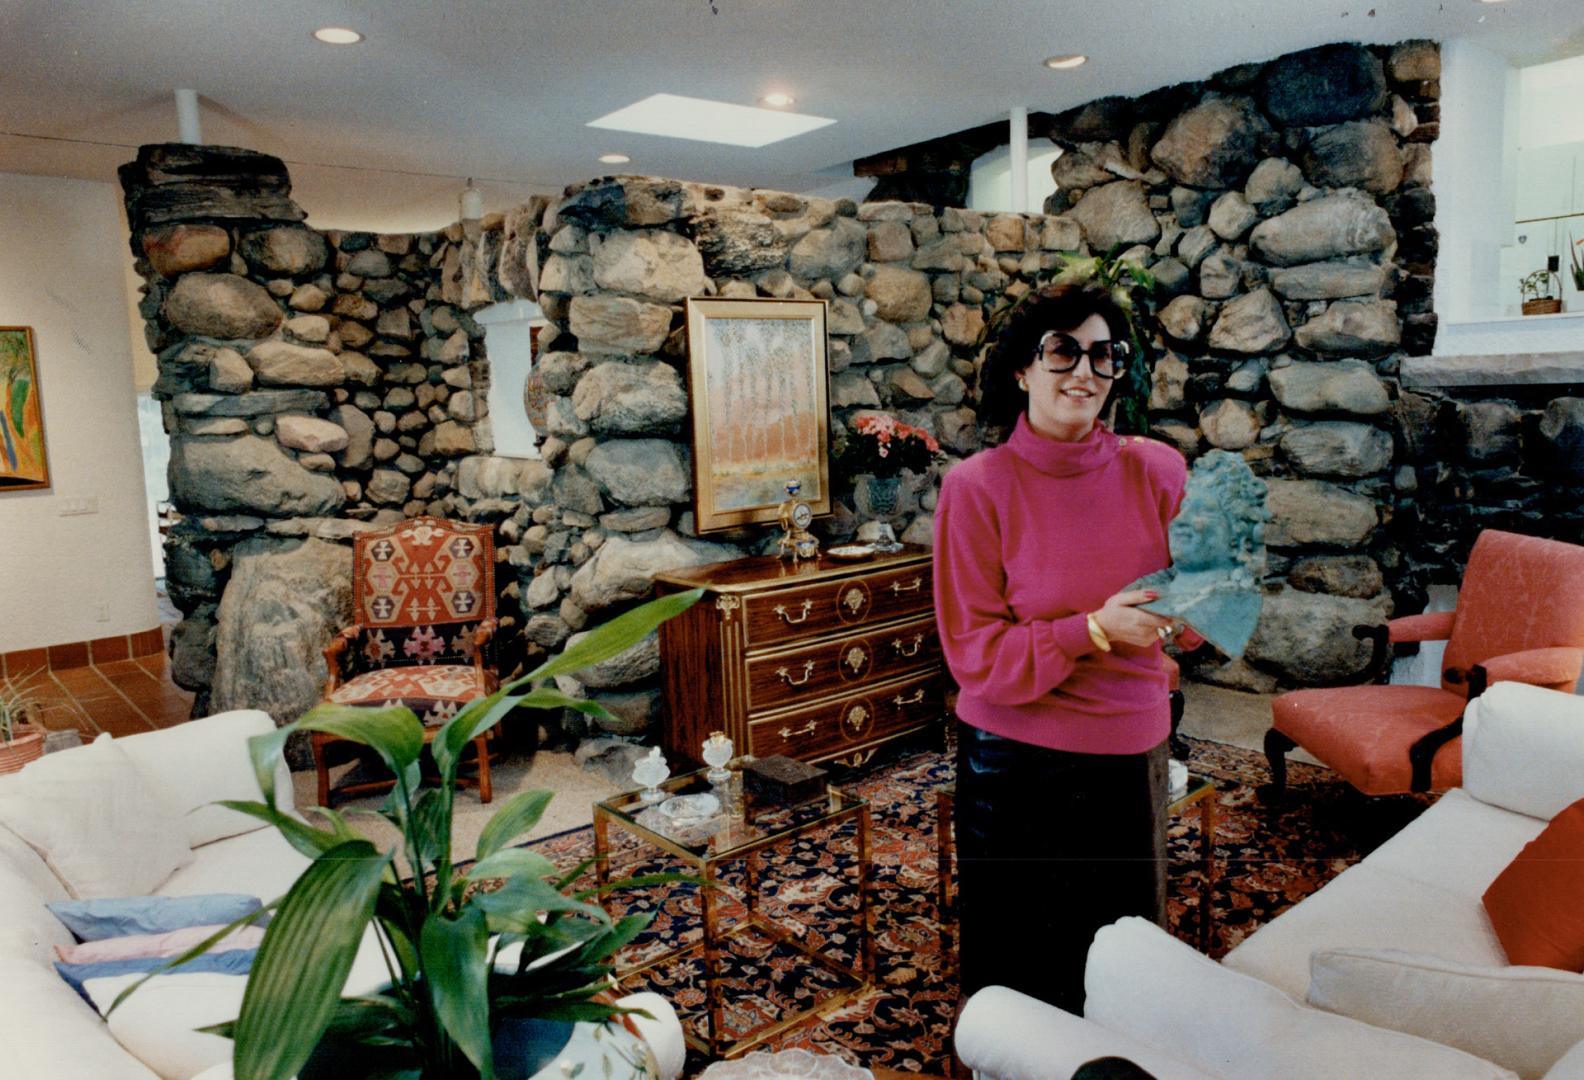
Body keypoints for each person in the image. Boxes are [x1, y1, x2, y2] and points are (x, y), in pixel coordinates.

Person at [933, 283, 1193, 1013]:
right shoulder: (976, 488)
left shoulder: (1159, 470)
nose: (1084, 372)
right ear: (1022, 369)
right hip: (1014, 755)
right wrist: (1097, 628)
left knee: (1122, 959)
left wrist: (1203, 601)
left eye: (1104, 356)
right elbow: (975, 656)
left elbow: (1199, 615)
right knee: (1019, 960)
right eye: (1062, 351)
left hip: (1129, 744)